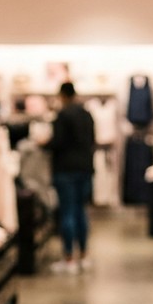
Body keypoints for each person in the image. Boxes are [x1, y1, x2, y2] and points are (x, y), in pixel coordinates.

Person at [42, 82, 96, 274]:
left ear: (63, 95)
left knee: (67, 213)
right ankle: (83, 255)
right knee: (81, 211)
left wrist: (43, 144)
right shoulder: (86, 114)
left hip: (65, 170)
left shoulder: (62, 115)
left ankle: (68, 258)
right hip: (85, 169)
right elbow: (92, 141)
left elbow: (57, 142)